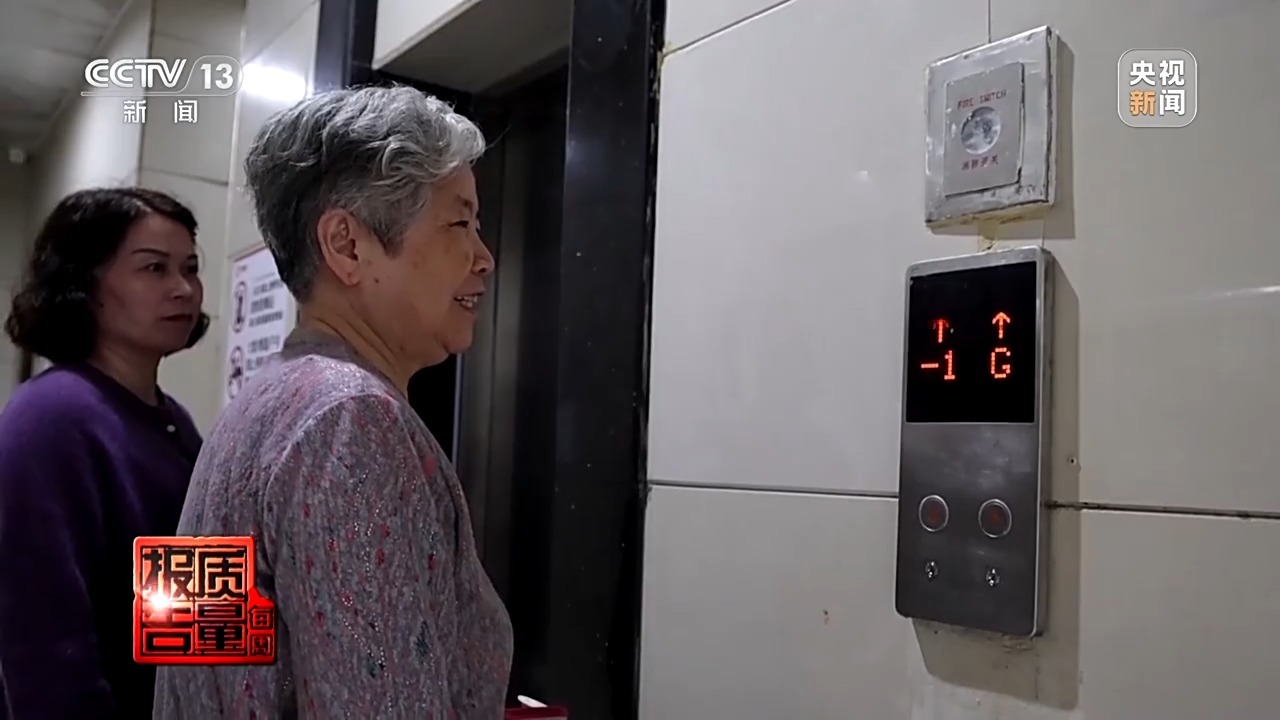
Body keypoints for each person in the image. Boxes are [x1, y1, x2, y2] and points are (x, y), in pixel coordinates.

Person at [152, 86, 513, 717]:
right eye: (460, 224)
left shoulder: (253, 406)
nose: (484, 258)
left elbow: (195, 673)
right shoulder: (348, 419)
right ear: (347, 245)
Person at [0, 187, 210, 718]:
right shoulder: (51, 419)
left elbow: (190, 618)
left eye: (190, 268)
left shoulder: (173, 422)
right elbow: (42, 638)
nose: (183, 289)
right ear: (85, 284)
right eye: (154, 269)